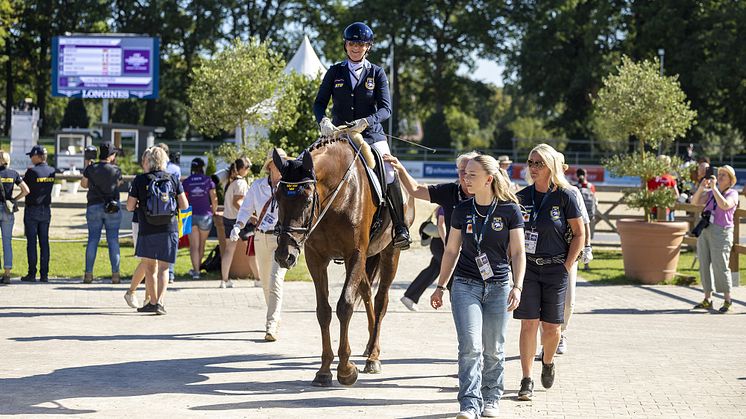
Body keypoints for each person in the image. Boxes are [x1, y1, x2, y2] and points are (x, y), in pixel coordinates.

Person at [430, 155, 525, 419]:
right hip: (465, 285)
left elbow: (518, 253)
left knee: (493, 348)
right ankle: (469, 403)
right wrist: (440, 285)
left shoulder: (509, 210)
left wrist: (517, 286)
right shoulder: (462, 210)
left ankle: (491, 397)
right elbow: (451, 250)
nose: (465, 178)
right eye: (464, 173)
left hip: (499, 286)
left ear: (489, 179)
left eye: (472, 174)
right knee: (470, 346)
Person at [313, 21, 410, 249]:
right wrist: (323, 120)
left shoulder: (376, 73)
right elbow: (319, 104)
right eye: (352, 43)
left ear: (368, 47)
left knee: (388, 172)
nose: (356, 48)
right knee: (309, 164)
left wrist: (367, 121)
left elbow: (386, 109)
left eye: (361, 44)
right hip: (339, 135)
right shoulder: (334, 71)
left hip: (371, 135)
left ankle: (400, 227)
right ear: (345, 45)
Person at [514, 143, 584, 401]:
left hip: (556, 268)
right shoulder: (521, 197)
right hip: (529, 269)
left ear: (551, 166)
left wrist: (566, 266)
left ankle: (548, 361)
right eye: (530, 163)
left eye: (538, 163)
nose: (532, 168)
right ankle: (526, 378)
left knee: (552, 328)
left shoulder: (565, 196)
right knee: (528, 324)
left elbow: (579, 234)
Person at [230, 149, 290, 342]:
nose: (281, 166)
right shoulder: (257, 186)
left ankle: (271, 325)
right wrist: (238, 226)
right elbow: (246, 208)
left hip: (281, 240)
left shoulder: (289, 187)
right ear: (270, 165)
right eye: (277, 162)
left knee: (275, 280)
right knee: (266, 283)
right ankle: (275, 315)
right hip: (260, 237)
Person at [126, 147, 188, 315]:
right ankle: (160, 303)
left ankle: (152, 302)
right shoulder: (173, 178)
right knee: (164, 268)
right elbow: (185, 206)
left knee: (149, 268)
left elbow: (130, 206)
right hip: (169, 227)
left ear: (148, 161)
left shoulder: (140, 180)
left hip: (147, 228)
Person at [691, 165, 739, 313]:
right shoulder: (713, 192)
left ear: (731, 180)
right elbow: (694, 202)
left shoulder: (733, 193)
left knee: (721, 266)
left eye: (724, 175)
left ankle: (727, 300)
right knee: (704, 264)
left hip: (721, 232)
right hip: (706, 230)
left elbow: (724, 205)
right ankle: (707, 299)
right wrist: (701, 187)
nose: (719, 177)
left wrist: (714, 189)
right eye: (719, 174)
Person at [81, 142, 123, 284]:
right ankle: (115, 274)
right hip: (111, 207)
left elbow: (84, 184)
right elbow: (118, 184)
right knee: (113, 241)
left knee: (92, 240)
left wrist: (88, 165)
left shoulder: (91, 168)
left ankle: (88, 274)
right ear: (111, 155)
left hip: (93, 206)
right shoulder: (116, 170)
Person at [21, 145, 56, 283]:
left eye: (31, 156)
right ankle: (44, 274)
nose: (30, 158)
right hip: (46, 210)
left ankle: (32, 273)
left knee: (31, 243)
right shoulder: (52, 171)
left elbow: (24, 187)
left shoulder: (31, 172)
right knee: (44, 243)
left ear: (37, 156)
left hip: (32, 210)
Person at [400, 206, 446, 311]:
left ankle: (409, 297)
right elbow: (441, 225)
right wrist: (447, 243)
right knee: (453, 273)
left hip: (440, 244)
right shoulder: (449, 201)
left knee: (433, 270)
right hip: (442, 245)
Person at [124, 150, 153, 308]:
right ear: (144, 163)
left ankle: (149, 298)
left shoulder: (162, 177)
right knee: (146, 260)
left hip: (156, 223)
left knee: (152, 261)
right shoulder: (139, 180)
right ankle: (132, 291)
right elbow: (130, 205)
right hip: (140, 221)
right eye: (148, 160)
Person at [182, 157, 217, 280]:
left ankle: (196, 271)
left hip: (190, 216)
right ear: (202, 167)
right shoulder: (208, 181)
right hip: (205, 215)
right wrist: (214, 211)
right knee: (202, 245)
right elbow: (214, 198)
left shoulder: (186, 182)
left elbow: (182, 199)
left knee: (194, 246)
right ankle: (197, 269)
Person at [220, 157, 250, 288]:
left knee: (229, 250)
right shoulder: (241, 183)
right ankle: (259, 278)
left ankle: (224, 280)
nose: (249, 170)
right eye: (248, 168)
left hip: (227, 218)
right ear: (242, 169)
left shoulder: (230, 182)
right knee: (251, 248)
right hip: (238, 220)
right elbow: (237, 202)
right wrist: (249, 214)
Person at [0, 150, 29, 284]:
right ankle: (7, 273)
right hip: (8, 209)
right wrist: (14, 200)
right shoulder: (13, 173)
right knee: (7, 242)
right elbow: (26, 190)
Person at [157, 143, 181, 283]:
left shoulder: (150, 170)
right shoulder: (175, 169)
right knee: (171, 243)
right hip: (171, 210)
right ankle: (170, 273)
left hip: (153, 210)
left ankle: (154, 273)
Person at [575, 167, 597, 269]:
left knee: (577, 238)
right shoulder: (591, 186)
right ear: (586, 175)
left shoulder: (575, 188)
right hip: (589, 216)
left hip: (577, 218)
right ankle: (586, 263)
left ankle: (577, 263)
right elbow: (595, 201)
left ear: (576, 175)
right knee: (587, 239)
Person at [647, 155, 679, 221]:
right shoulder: (670, 178)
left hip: (654, 209)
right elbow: (676, 195)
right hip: (668, 209)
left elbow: (648, 193)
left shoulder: (651, 178)